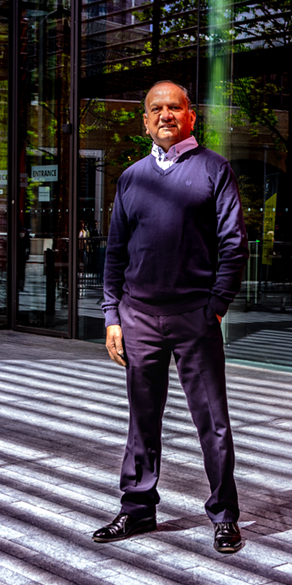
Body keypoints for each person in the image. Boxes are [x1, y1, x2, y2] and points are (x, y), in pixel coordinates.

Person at [93, 80, 248, 553]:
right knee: (142, 419)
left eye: (174, 107)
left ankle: (224, 515)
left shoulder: (214, 170)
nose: (165, 115)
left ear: (191, 116)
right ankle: (137, 509)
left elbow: (234, 243)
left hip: (194, 317)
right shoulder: (131, 177)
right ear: (145, 120)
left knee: (212, 422)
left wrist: (216, 306)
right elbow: (115, 250)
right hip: (138, 318)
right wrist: (111, 314)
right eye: (156, 108)